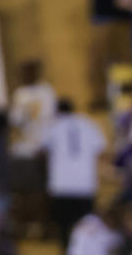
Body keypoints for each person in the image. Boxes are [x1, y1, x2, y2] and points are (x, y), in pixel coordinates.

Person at [42, 98, 108, 247]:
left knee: (65, 230)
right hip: (85, 185)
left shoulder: (53, 125)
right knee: (86, 230)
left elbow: (42, 151)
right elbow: (101, 150)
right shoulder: (88, 123)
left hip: (61, 186)